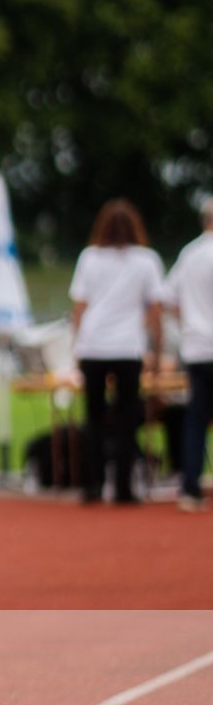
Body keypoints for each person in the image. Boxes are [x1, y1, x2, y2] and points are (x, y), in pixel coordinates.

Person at [69, 199, 164, 505]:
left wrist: (75, 347)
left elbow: (79, 308)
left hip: (93, 344)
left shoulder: (89, 257)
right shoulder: (146, 260)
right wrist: (157, 352)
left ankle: (92, 483)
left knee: (93, 417)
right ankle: (123, 486)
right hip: (127, 346)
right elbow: (155, 311)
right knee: (127, 417)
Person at [162, 198, 213, 511]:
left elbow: (169, 298)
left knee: (196, 418)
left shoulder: (190, 253)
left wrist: (188, 325)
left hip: (197, 347)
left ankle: (190, 488)